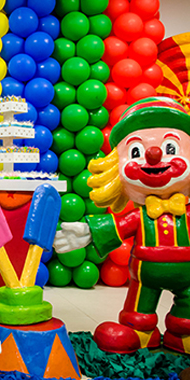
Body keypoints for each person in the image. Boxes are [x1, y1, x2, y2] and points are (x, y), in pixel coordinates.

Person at [54, 96, 190, 354]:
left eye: (171, 148)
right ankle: (139, 334)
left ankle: (183, 333)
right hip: (145, 273)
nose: (153, 155)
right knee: (139, 309)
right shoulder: (141, 215)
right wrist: (88, 232)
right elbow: (121, 225)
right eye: (136, 152)